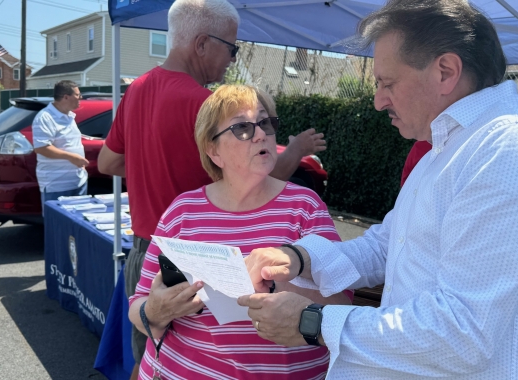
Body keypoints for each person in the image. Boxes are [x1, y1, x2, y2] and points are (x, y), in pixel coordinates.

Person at [239, 0, 518, 379]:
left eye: (387, 83)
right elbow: (388, 245)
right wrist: (299, 258)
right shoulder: (449, 148)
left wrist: (313, 321)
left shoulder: (513, 148)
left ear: (445, 71)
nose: (378, 101)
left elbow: (461, 333)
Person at [97, 0, 327, 376]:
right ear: (202, 43)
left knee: (150, 352)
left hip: (145, 250)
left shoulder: (136, 89)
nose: (232, 60)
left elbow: (107, 163)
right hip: (205, 263)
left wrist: (149, 161)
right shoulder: (209, 108)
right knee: (218, 349)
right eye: (231, 48)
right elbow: (259, 178)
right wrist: (297, 149)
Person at [127, 84, 352, 379]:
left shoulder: (305, 207)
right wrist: (158, 309)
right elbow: (138, 306)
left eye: (265, 123)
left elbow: (343, 302)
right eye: (242, 128)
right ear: (213, 150)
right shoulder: (183, 211)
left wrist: (278, 286)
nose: (261, 134)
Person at [32, 80, 88, 209]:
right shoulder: (45, 117)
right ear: (66, 97)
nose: (81, 98)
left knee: (77, 226)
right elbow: (42, 148)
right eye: (78, 95)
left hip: (78, 182)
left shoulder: (69, 116)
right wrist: (72, 158)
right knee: (58, 227)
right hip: (57, 185)